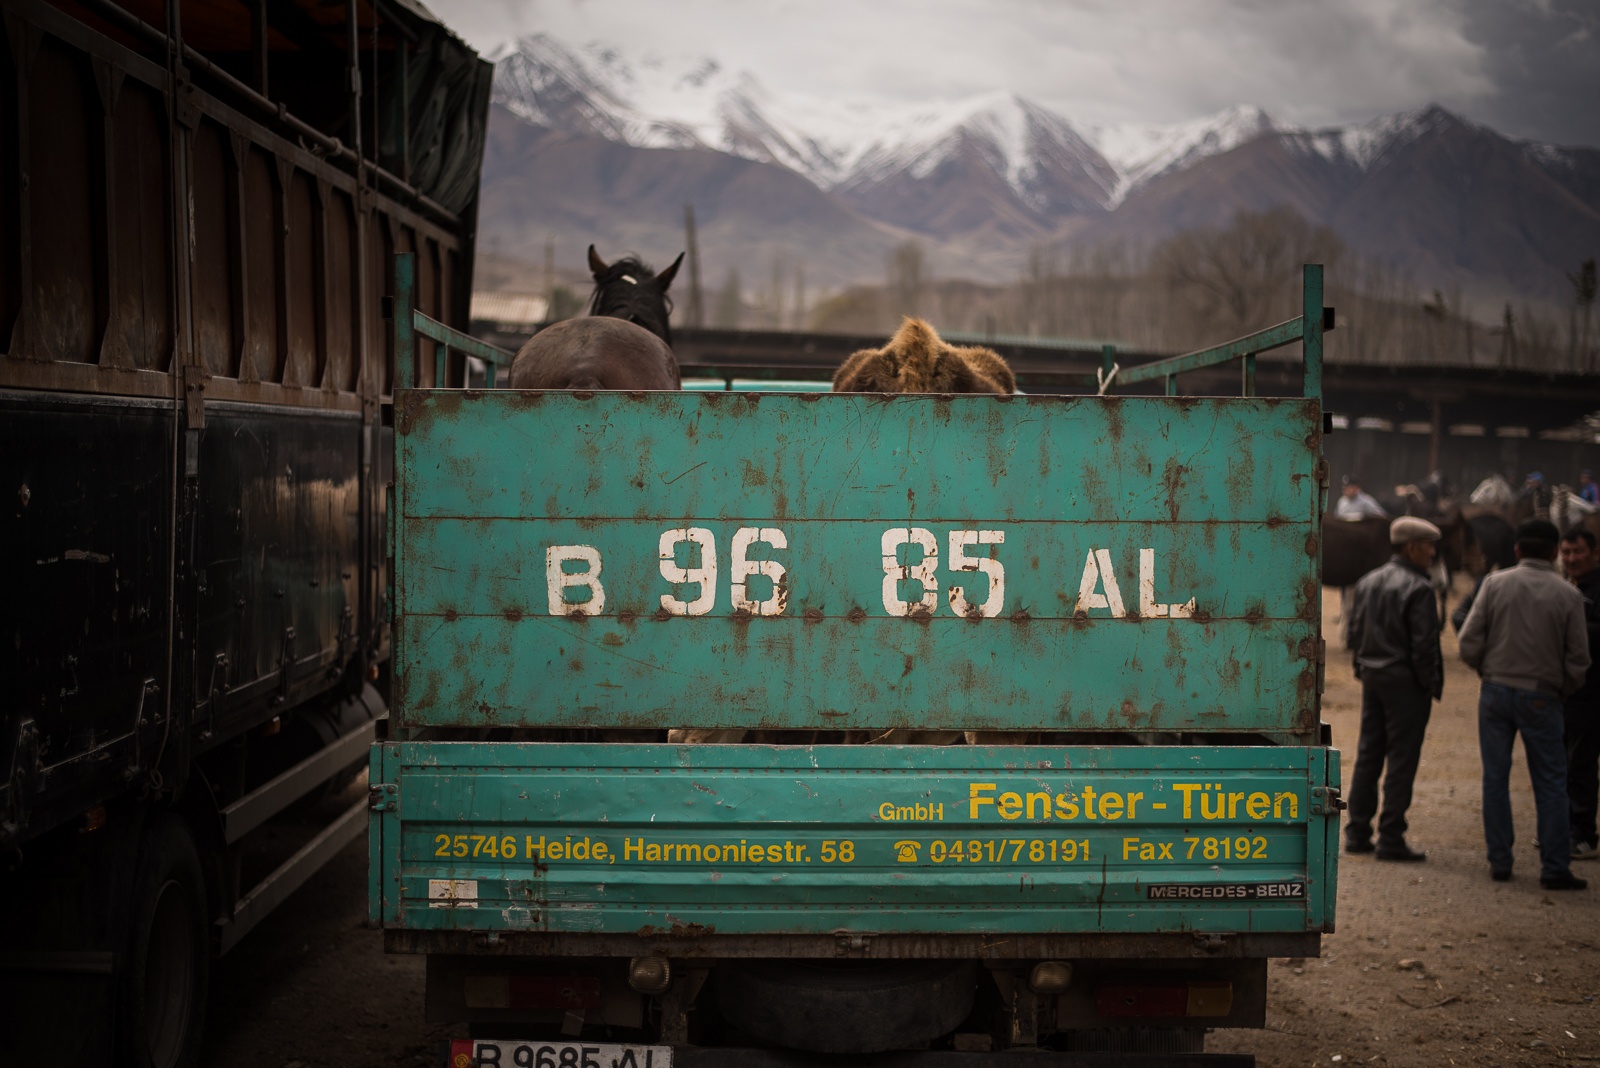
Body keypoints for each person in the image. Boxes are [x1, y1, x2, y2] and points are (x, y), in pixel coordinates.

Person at [1458, 519, 1591, 889]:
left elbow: (1468, 642)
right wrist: (1559, 688)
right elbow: (1579, 660)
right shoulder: (1568, 595)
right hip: (1543, 695)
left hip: (1496, 691)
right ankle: (1554, 867)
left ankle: (1500, 861)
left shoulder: (1495, 584)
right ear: (1554, 553)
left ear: (1516, 550)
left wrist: (1489, 670)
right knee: (1550, 781)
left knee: (1495, 778)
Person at [1343, 516, 1444, 861]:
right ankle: (1391, 836)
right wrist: (1426, 684)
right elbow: (1424, 646)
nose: (1432, 553)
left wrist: (1362, 668)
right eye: (1429, 546)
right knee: (1402, 759)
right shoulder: (1419, 589)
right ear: (1412, 547)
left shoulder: (1368, 581)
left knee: (1369, 753)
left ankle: (1357, 831)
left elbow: (1353, 634)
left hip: (1374, 679)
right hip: (1405, 684)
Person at [1559, 527, 1600, 860]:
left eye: (1578, 552)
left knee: (1582, 763)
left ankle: (1584, 833)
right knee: (1559, 762)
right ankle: (1560, 829)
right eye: (1566, 553)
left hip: (1592, 691)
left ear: (1595, 553)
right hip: (1564, 692)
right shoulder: (1565, 587)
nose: (1572, 559)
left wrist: (1568, 622)